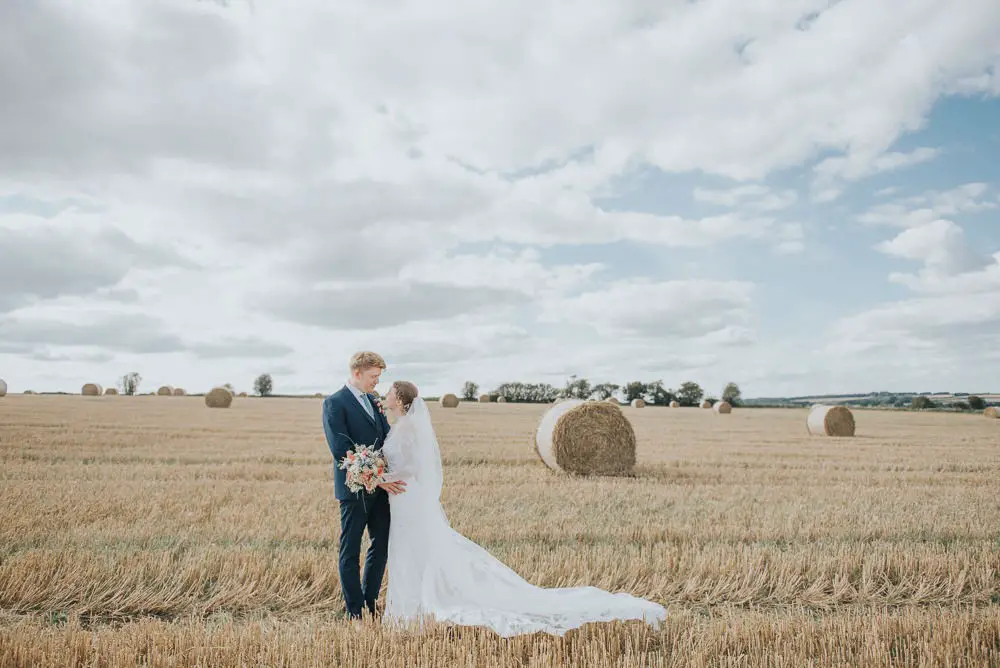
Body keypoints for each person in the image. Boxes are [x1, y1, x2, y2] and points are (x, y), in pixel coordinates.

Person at [378, 380, 667, 637]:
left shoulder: (410, 427)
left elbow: (414, 466)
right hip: (402, 496)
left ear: (400, 399)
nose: (385, 394)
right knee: (411, 548)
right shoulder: (400, 424)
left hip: (406, 494)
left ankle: (421, 604)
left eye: (389, 391)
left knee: (414, 546)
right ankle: (413, 601)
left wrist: (380, 477)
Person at [322, 351, 405, 619]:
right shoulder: (335, 403)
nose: (376, 383)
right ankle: (355, 610)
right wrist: (375, 477)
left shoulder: (373, 400)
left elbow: (385, 438)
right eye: (373, 377)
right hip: (354, 489)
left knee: (381, 544)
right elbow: (341, 449)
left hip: (382, 491)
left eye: (379, 377)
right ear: (357, 373)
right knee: (350, 549)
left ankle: (370, 602)